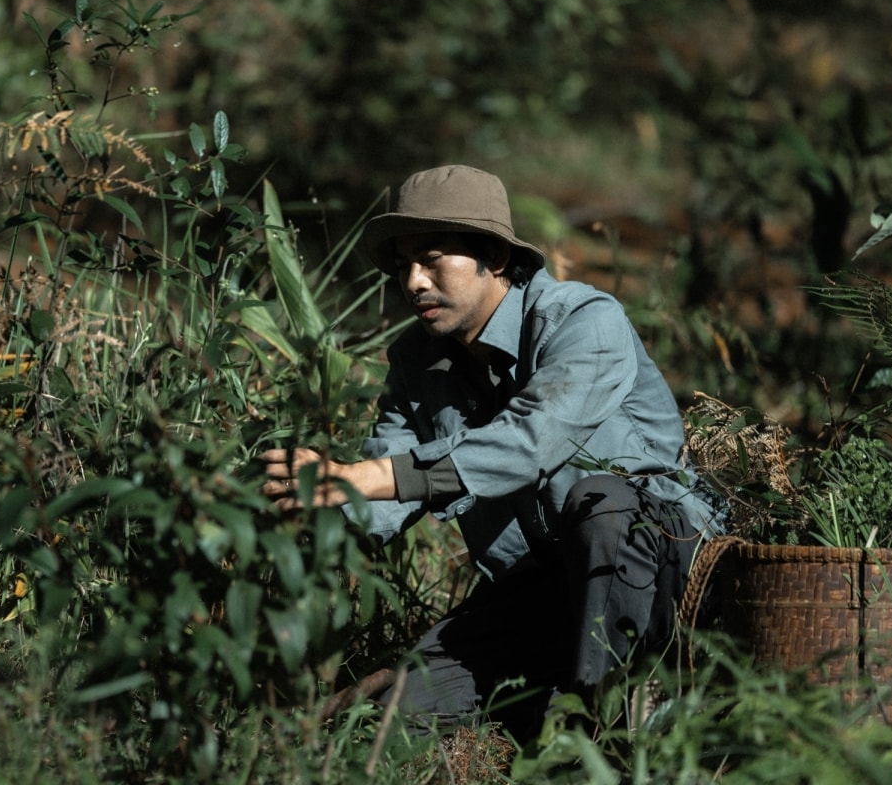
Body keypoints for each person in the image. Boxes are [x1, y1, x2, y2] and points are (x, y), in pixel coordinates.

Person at [260, 164, 724, 740]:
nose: (413, 282)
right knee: (393, 724)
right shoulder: (416, 359)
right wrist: (313, 511)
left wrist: (369, 476)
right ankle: (557, 700)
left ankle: (605, 728)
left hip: (662, 567)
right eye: (404, 264)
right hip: (545, 586)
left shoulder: (584, 320)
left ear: (495, 259)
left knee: (601, 504)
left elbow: (529, 442)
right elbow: (386, 489)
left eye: (432, 259)